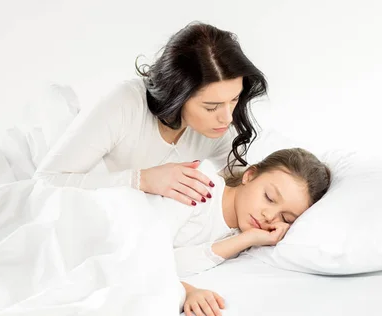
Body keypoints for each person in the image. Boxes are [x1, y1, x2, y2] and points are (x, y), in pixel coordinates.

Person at [35, 21, 268, 206]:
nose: (227, 118)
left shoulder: (218, 126)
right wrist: (142, 179)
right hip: (65, 161)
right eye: (211, 107)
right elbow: (45, 181)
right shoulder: (124, 104)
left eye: (234, 99)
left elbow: (243, 186)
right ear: (178, 95)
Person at [151, 148, 331, 316]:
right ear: (250, 175)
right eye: (269, 197)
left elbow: (175, 264)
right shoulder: (198, 186)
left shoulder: (245, 240)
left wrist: (248, 239)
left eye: (285, 218)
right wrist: (187, 290)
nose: (269, 216)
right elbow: (152, 259)